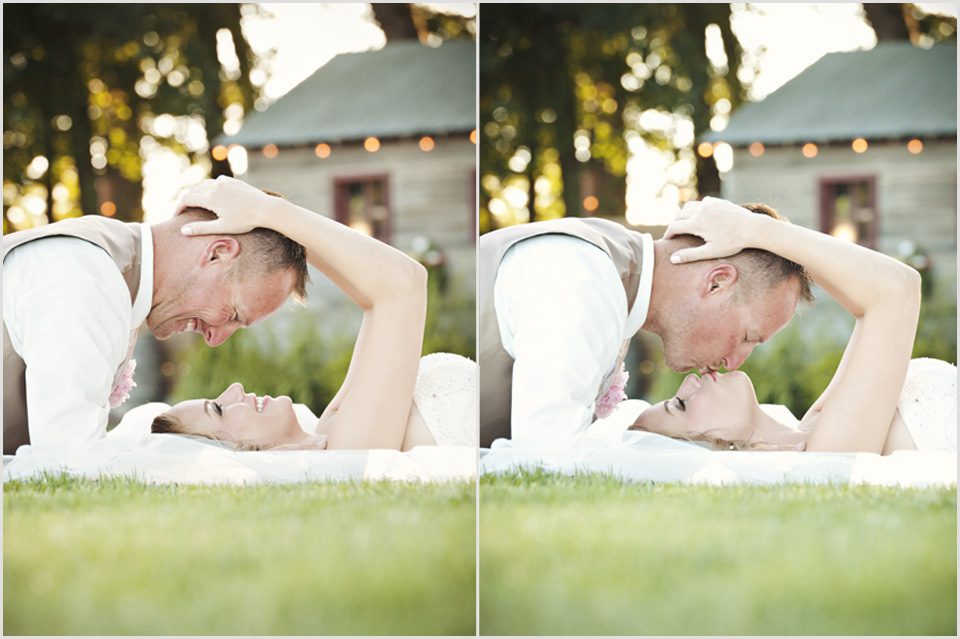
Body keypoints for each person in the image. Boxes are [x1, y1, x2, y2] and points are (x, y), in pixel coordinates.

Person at [146, 176, 477, 451]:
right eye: (217, 409)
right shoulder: (347, 451)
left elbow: (375, 301)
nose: (234, 388)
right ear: (239, 454)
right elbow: (404, 284)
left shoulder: (332, 429)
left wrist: (276, 232)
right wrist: (269, 210)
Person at [629, 197, 956, 454]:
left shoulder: (816, 426)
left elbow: (867, 306)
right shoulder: (829, 452)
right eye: (681, 405)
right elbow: (897, 290)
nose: (688, 382)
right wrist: (756, 229)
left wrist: (763, 239)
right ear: (712, 450)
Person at [2, 185, 308, 455]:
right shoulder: (87, 279)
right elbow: (65, 457)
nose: (217, 338)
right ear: (217, 254)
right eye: (232, 315)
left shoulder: (113, 276)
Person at [478, 201, 812, 448]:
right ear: (717, 283)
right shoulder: (583, 281)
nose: (735, 363)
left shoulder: (611, 280)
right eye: (746, 337)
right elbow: (544, 455)